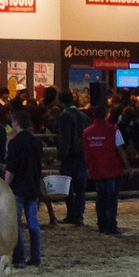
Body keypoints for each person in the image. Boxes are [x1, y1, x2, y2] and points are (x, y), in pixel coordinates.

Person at [3, 111, 44, 267]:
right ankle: (36, 257)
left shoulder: (14, 143)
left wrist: (5, 185)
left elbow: (12, 168)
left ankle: (19, 258)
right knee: (33, 223)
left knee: (16, 224)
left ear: (17, 123)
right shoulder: (37, 143)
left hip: (18, 188)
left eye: (13, 122)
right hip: (33, 186)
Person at [81, 106, 126, 235]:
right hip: (112, 168)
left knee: (101, 196)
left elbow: (86, 152)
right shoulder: (113, 130)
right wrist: (127, 166)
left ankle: (102, 223)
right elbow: (120, 149)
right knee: (112, 197)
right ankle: (111, 224)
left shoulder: (86, 132)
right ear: (107, 114)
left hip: (97, 168)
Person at [53, 94, 90, 225]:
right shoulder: (84, 116)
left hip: (70, 156)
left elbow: (65, 139)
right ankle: (79, 215)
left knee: (68, 186)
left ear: (60, 101)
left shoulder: (64, 116)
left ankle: (71, 214)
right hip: (82, 154)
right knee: (80, 188)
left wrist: (60, 157)